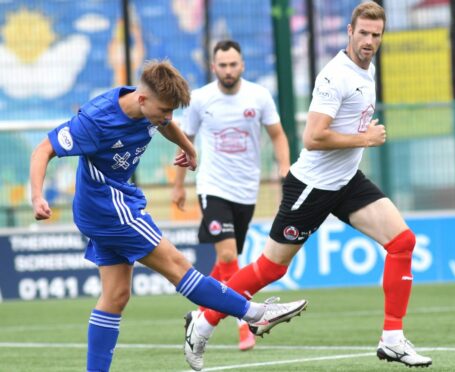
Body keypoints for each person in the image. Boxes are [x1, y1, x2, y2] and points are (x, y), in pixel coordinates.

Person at [183, 2, 433, 368]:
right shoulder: (336, 76)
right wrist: (365, 138)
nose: (368, 41)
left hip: (346, 181)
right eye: (362, 33)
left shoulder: (368, 68)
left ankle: (392, 338)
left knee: (402, 242)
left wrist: (359, 141)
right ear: (349, 31)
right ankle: (203, 321)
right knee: (271, 268)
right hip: (312, 187)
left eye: (375, 35)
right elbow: (313, 137)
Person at [29, 59, 307, 372]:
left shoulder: (150, 107)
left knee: (116, 296)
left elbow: (164, 124)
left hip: (110, 205)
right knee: (177, 266)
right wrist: (37, 196)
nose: (168, 117)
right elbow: (43, 149)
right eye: (165, 110)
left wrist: (188, 147)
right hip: (108, 207)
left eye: (172, 111)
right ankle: (254, 314)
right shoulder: (96, 120)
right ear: (143, 99)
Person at [172, 40, 290, 352]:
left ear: (242, 65)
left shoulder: (259, 96)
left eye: (233, 64)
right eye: (222, 65)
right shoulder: (200, 99)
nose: (228, 70)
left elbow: (278, 135)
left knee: (226, 267)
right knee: (228, 257)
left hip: (246, 190)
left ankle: (198, 314)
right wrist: (179, 184)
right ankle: (245, 324)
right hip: (212, 187)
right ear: (214, 67)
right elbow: (186, 141)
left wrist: (285, 170)